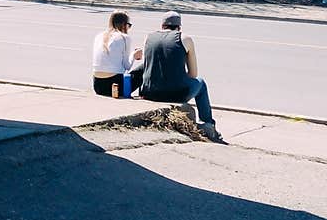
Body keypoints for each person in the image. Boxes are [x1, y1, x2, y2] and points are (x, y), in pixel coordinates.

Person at [139, 10, 226, 142]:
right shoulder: (185, 38)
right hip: (176, 94)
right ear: (179, 26)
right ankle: (209, 125)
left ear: (162, 26)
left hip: (149, 91)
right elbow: (193, 74)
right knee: (201, 83)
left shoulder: (148, 37)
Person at [91, 11, 143, 97]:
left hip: (98, 86)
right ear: (124, 25)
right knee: (145, 67)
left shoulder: (99, 36)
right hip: (115, 86)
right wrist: (134, 55)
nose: (129, 28)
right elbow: (127, 66)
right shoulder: (124, 37)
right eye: (129, 25)